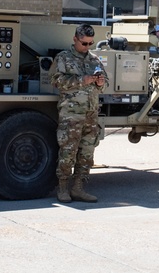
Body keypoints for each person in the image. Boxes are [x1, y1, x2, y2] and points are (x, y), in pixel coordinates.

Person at [50, 24, 106, 203]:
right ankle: (63, 188)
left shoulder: (95, 59)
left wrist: (100, 82)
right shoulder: (63, 58)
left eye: (91, 43)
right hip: (71, 114)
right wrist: (83, 80)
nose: (87, 47)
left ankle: (78, 188)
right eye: (84, 43)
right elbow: (56, 81)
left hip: (90, 113)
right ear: (75, 39)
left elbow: (104, 85)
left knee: (87, 152)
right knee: (68, 150)